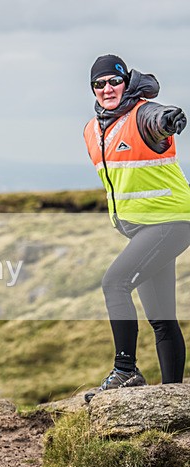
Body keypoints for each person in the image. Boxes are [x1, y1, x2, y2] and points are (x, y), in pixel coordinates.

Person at [83, 54, 190, 402]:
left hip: (171, 221)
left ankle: (126, 370)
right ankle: (174, 396)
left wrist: (168, 118)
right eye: (99, 84)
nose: (107, 89)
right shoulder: (94, 130)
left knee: (115, 283)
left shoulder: (141, 114)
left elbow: (156, 119)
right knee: (161, 317)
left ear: (126, 83)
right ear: (93, 89)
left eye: (114, 81)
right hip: (143, 229)